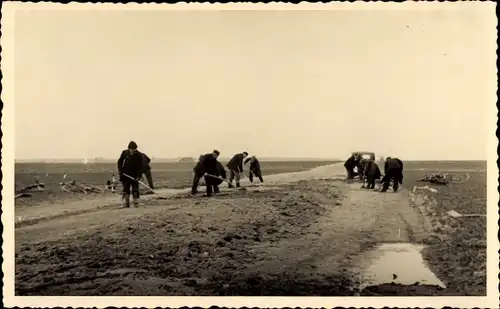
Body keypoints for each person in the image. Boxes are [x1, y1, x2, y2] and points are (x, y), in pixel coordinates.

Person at [117, 141, 147, 207]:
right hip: (125, 174)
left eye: (134, 149)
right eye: (132, 149)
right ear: (129, 148)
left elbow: (141, 166)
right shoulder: (124, 153)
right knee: (126, 189)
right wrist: (121, 170)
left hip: (135, 175)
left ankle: (135, 202)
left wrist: (139, 176)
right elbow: (119, 162)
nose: (133, 151)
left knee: (135, 189)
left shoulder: (139, 155)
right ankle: (126, 202)